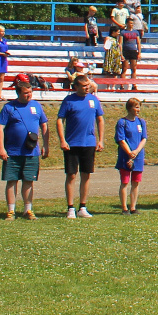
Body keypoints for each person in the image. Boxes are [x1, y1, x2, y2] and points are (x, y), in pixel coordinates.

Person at [0, 76, 49, 221]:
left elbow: (44, 125)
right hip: (13, 151)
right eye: (26, 93)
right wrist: (1, 148)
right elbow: (0, 127)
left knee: (29, 180)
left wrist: (45, 145)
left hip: (31, 151)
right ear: (18, 93)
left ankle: (27, 210)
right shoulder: (9, 108)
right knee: (12, 181)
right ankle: (11, 210)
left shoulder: (36, 106)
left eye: (30, 92)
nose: (29, 95)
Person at [57, 73, 105, 218]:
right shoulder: (69, 100)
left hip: (89, 143)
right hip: (72, 144)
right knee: (71, 175)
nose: (87, 88)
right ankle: (70, 207)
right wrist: (62, 140)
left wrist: (101, 140)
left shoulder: (94, 100)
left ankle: (82, 207)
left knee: (86, 175)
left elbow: (100, 120)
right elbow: (60, 120)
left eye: (88, 86)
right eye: (84, 86)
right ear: (76, 86)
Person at [115, 98, 147, 215]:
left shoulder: (141, 122)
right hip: (125, 156)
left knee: (136, 182)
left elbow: (144, 138)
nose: (138, 109)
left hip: (138, 156)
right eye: (136, 107)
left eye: (139, 107)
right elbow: (121, 139)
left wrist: (137, 151)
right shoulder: (122, 122)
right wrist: (129, 153)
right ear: (129, 108)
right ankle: (124, 207)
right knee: (125, 182)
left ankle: (133, 207)